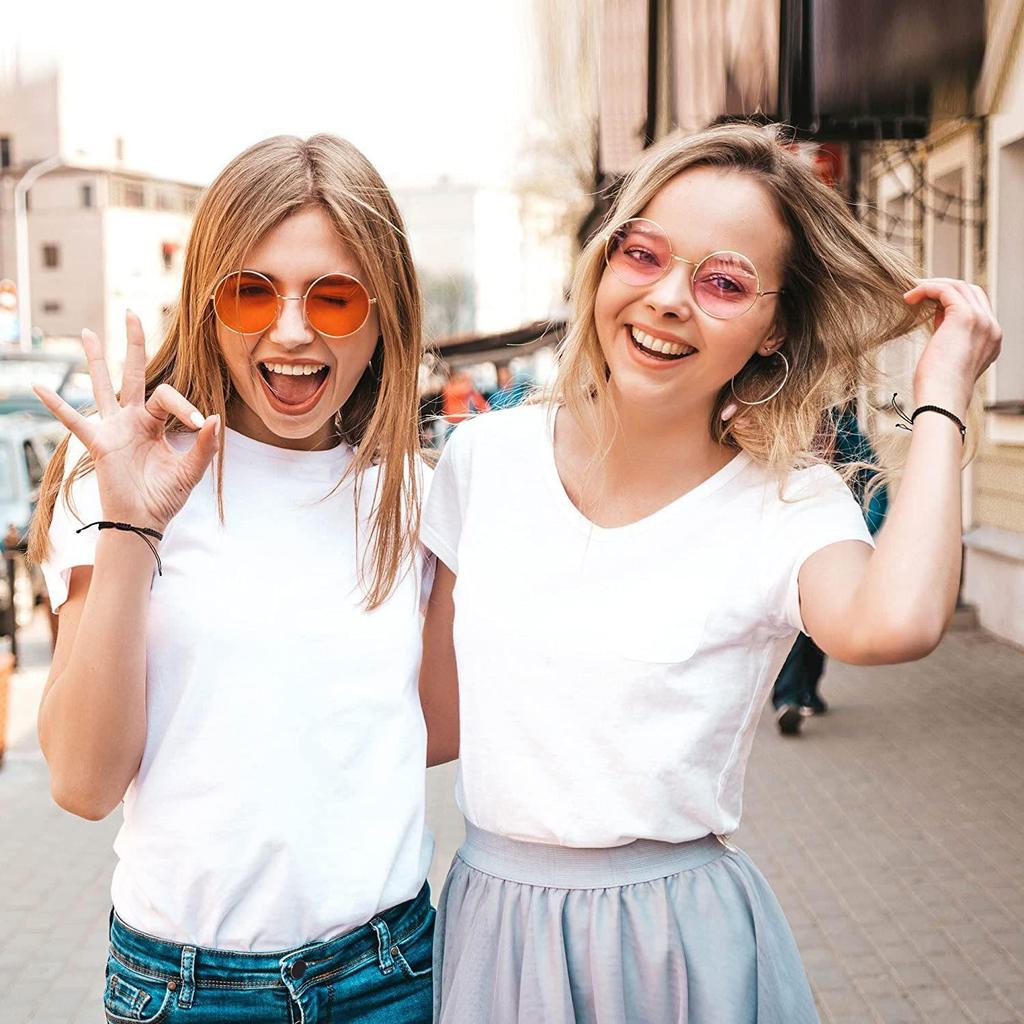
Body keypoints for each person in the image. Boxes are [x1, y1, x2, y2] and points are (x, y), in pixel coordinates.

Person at [417, 123, 1001, 1023]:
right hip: (493, 933)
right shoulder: (483, 459)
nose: (666, 299)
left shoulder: (787, 503)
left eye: (723, 281)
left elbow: (897, 623)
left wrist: (943, 393)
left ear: (773, 330)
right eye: (642, 255)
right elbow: (430, 721)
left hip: (674, 953)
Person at [27, 135, 435, 1024]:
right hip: (184, 989)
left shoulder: (416, 495)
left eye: (333, 296)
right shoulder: (120, 467)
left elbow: (434, 731)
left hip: (389, 972)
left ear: (384, 315)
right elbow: (84, 784)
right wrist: (132, 524)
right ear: (209, 307)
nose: (291, 331)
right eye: (252, 292)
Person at [774, 404, 889, 734]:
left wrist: (860, 533)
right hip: (791, 544)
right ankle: (789, 699)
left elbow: (875, 482)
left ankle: (808, 692)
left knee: (819, 630)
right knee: (798, 626)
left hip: (834, 545)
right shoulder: (774, 420)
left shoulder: (844, 426)